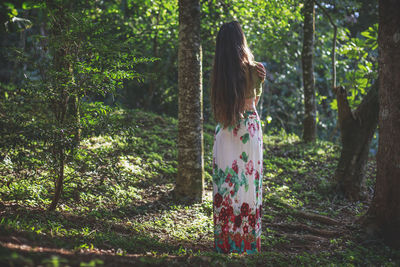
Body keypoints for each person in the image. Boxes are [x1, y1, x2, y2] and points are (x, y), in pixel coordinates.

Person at [211, 21, 265, 254]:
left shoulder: (218, 74)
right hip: (249, 131)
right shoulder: (255, 69)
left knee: (225, 186)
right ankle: (246, 242)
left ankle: (225, 242)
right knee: (248, 185)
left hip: (224, 132)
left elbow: (221, 109)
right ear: (241, 41)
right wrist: (260, 80)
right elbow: (254, 103)